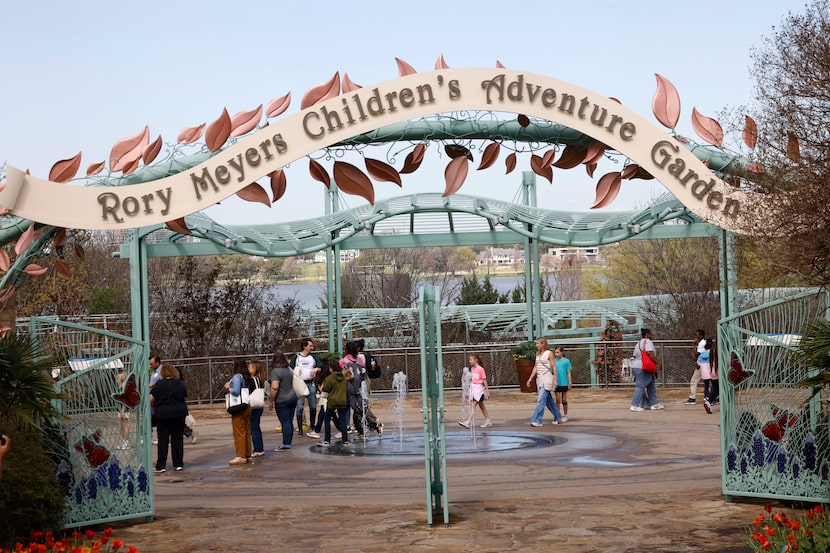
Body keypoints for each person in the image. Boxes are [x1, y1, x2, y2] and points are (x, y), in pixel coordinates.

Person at [150, 364, 188, 473]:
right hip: (179, 413)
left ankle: (161, 465)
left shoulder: (160, 384)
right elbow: (184, 395)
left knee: (163, 441)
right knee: (177, 439)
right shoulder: (181, 384)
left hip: (163, 414)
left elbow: (151, 398)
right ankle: (178, 464)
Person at [526, 337, 562, 427]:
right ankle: (558, 416)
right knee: (548, 400)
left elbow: (554, 367)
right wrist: (530, 378)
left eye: (538, 343)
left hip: (547, 377)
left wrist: (555, 380)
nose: (536, 345)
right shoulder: (537, 354)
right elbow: (536, 367)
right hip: (540, 378)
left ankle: (537, 420)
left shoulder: (549, 353)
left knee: (541, 399)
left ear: (543, 344)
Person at [290, 338, 319, 437]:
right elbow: (291, 369)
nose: (312, 347)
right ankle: (300, 429)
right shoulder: (296, 357)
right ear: (304, 346)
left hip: (311, 383)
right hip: (300, 384)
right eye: (310, 346)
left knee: (313, 406)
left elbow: (320, 366)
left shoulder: (313, 357)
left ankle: (312, 426)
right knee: (299, 407)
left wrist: (316, 369)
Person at [225, 358, 252, 465]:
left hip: (238, 407)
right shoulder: (247, 377)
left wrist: (228, 388)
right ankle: (247, 455)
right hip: (247, 405)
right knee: (246, 431)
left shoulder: (237, 377)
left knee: (239, 432)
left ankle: (240, 455)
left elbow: (236, 391)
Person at [269, 351, 297, 451]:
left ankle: (286, 444)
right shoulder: (289, 370)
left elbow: (274, 387)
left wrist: (271, 400)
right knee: (289, 421)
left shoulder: (275, 372)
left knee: (284, 422)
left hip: (282, 399)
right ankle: (288, 441)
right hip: (292, 397)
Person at [630, 328, 664, 412]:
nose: (651, 335)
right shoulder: (648, 341)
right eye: (651, 334)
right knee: (640, 386)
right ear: (647, 334)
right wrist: (658, 362)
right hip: (643, 367)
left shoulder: (638, 343)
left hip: (636, 366)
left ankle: (654, 403)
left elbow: (634, 355)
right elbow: (649, 353)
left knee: (651, 384)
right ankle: (634, 405)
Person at [320, 359, 349, 447]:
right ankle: (345, 440)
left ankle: (327, 439)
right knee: (343, 420)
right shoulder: (344, 378)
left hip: (332, 401)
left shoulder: (329, 378)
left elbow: (325, 389)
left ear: (331, 368)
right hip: (342, 401)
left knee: (327, 419)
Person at [459, 354, 492, 428]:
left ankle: (468, 421)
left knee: (473, 405)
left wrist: (487, 391)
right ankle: (488, 420)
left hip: (479, 389)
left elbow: (484, 380)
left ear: (476, 360)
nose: (469, 361)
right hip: (473, 388)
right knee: (481, 406)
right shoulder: (472, 369)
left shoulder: (481, 369)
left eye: (471, 359)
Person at [683, 329, 707, 405]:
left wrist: (694, 345)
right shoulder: (702, 343)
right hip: (704, 364)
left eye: (697, 335)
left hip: (701, 364)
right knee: (707, 381)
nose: (695, 337)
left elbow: (697, 354)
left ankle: (692, 398)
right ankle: (711, 397)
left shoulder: (701, 343)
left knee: (694, 380)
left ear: (701, 336)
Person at [248, 360, 267, 456]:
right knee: (255, 426)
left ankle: (258, 449)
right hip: (258, 406)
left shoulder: (254, 379)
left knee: (254, 427)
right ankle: (259, 448)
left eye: (250, 367)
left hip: (254, 406)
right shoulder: (259, 379)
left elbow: (251, 391)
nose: (248, 369)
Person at [553, 346, 573, 423]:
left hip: (564, 382)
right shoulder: (554, 361)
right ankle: (558, 415)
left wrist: (569, 382)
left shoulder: (566, 361)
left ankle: (565, 414)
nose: (556, 354)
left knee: (563, 399)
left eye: (558, 352)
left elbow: (568, 372)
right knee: (557, 399)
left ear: (562, 352)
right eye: (555, 352)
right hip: (556, 383)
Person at [700, 339, 717, 414]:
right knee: (718, 389)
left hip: (713, 371)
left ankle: (709, 402)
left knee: (715, 388)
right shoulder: (719, 350)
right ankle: (710, 401)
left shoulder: (711, 350)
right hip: (719, 372)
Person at [116, 369, 131, 450]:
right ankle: (124, 441)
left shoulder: (124, 387)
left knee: (125, 424)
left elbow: (125, 399)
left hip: (124, 407)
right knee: (122, 425)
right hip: (120, 407)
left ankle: (126, 442)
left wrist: (123, 409)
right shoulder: (121, 386)